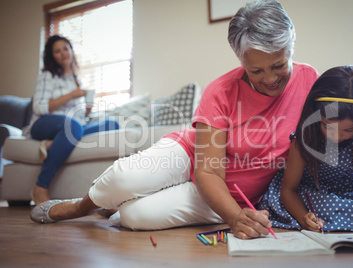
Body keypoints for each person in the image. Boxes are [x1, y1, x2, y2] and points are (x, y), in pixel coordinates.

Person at [30, 0, 319, 239]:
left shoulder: (311, 82)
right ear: (240, 60)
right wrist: (233, 218)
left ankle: (116, 207)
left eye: (279, 65)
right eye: (256, 71)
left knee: (135, 216)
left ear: (291, 48)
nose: (270, 79)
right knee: (125, 178)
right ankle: (78, 207)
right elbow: (209, 171)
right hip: (194, 156)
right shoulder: (221, 92)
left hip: (227, 191)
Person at [257, 65, 353, 240]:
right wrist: (304, 218)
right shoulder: (304, 137)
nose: (337, 136)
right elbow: (288, 190)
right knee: (327, 205)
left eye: (348, 130)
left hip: (350, 189)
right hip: (309, 191)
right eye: (327, 126)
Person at [28, 35, 119, 204]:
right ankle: (40, 187)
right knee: (73, 127)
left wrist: (87, 110)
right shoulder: (47, 76)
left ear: (71, 51)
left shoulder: (76, 80)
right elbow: (39, 107)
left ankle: (55, 142)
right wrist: (72, 95)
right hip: (44, 123)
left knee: (112, 123)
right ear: (51, 56)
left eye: (65, 48)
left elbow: (78, 118)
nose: (63, 53)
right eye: (57, 50)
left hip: (71, 126)